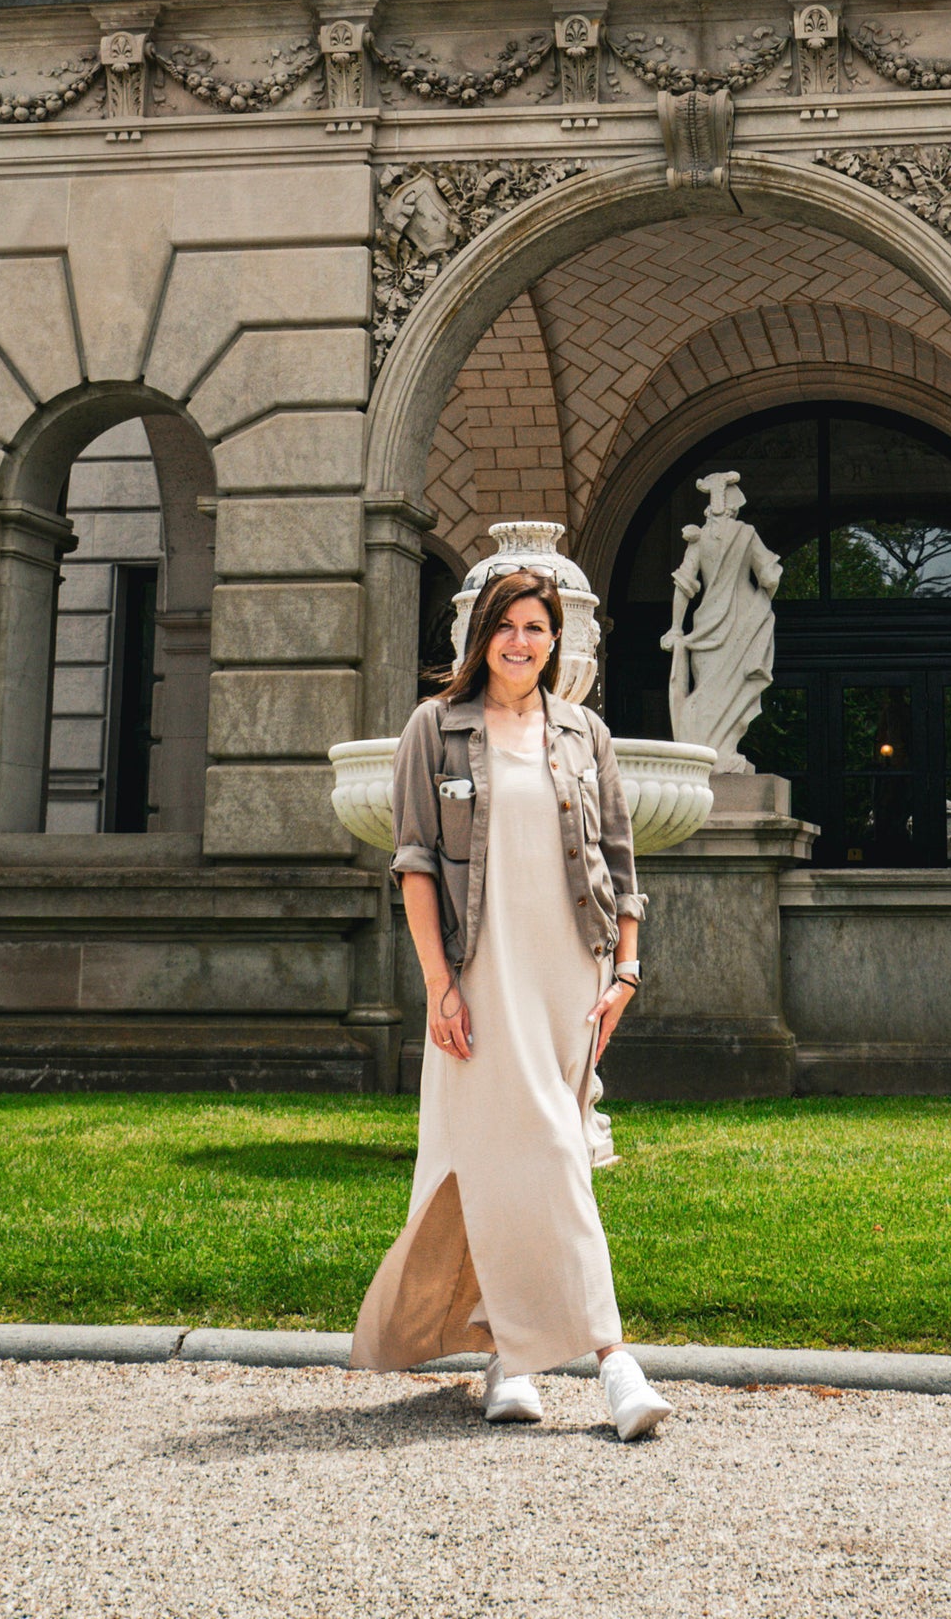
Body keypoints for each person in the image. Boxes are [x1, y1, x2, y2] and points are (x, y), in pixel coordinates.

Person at [349, 564, 671, 1439]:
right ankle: (615, 1364)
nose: (520, 642)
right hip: (482, 973)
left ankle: (508, 1357)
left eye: (535, 627)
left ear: (555, 641)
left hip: (573, 970)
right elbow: (415, 863)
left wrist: (626, 971)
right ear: (480, 635)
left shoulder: (583, 732)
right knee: (538, 1154)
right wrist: (439, 986)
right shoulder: (435, 728)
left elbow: (619, 858)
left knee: (534, 1154)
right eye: (506, 625)